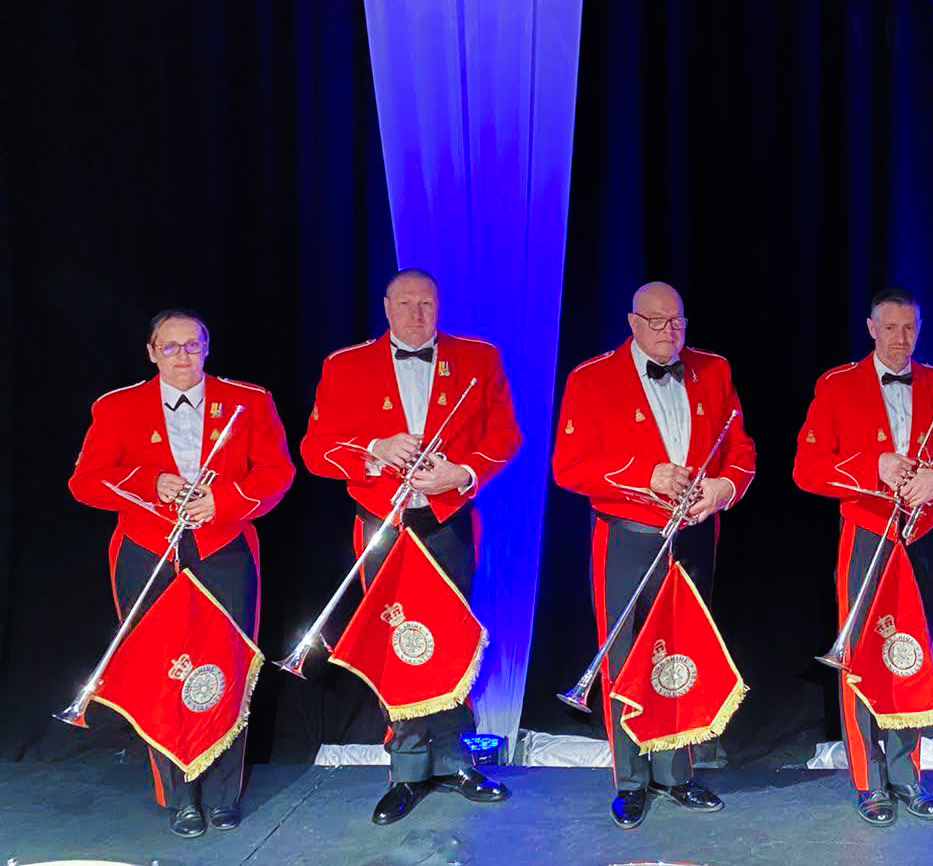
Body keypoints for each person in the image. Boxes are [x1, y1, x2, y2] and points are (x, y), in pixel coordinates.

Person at [302, 268, 521, 825]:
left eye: (427, 304)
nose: (417, 314)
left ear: (439, 306)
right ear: (386, 307)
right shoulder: (344, 365)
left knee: (453, 640)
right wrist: (374, 448)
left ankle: (456, 762)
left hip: (447, 521)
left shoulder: (479, 358)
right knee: (396, 642)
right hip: (382, 521)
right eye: (405, 304)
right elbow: (315, 449)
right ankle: (406, 770)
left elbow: (505, 436)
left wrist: (462, 473)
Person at [68, 309, 295, 838]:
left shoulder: (250, 400)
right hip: (147, 548)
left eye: (191, 345)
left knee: (227, 667)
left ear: (207, 347)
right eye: (169, 347)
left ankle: (221, 796)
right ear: (151, 352)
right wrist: (152, 483)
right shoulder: (117, 406)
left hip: (224, 544)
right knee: (160, 669)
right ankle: (181, 796)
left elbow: (276, 471)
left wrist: (224, 502)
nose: (181, 356)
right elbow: (85, 482)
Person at [553, 282, 757, 829]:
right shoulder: (591, 377)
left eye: (679, 322)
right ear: (633, 322)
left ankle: (677, 773)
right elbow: (568, 467)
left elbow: (740, 449)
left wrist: (724, 490)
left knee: (685, 651)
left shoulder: (712, 369)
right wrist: (646, 477)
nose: (671, 332)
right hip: (627, 536)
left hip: (694, 536)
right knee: (625, 657)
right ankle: (632, 780)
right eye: (659, 322)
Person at [793, 287, 933, 826]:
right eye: (891, 329)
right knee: (859, 660)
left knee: (911, 655)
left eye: (910, 329)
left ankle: (907, 775)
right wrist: (870, 467)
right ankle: (868, 781)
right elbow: (806, 468)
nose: (902, 340)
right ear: (871, 328)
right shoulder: (837, 384)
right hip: (867, 533)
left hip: (923, 536)